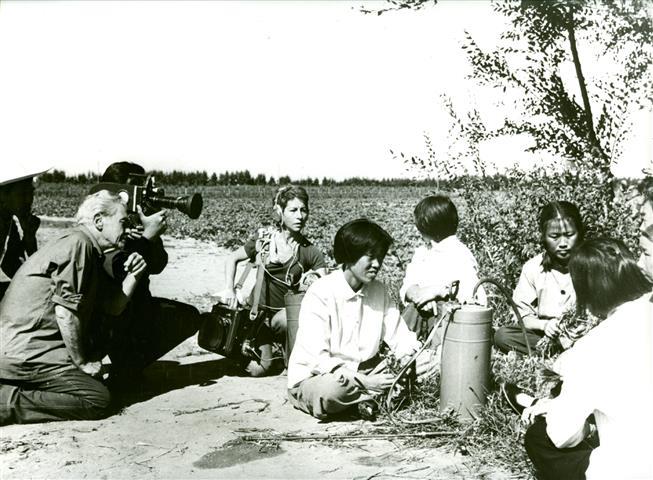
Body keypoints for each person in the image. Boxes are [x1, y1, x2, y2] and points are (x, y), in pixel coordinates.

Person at [0, 191, 147, 425]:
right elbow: (66, 313)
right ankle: (6, 402)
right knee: (96, 399)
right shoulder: (79, 245)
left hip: (25, 347)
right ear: (99, 221)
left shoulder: (85, 246)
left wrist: (135, 274)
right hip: (27, 351)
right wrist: (82, 363)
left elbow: (113, 307)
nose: (127, 228)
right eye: (122, 221)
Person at [522, 238, 653, 480]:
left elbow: (562, 435)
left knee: (539, 437)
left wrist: (578, 422)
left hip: (632, 470)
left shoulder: (592, 346)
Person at [287, 219, 438, 420]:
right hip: (319, 377)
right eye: (371, 257)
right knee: (332, 391)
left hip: (368, 371)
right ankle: (376, 397)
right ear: (349, 255)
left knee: (430, 361)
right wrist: (365, 382)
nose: (377, 264)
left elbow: (400, 336)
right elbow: (318, 359)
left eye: (380, 258)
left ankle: (368, 401)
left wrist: (410, 358)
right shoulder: (320, 292)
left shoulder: (379, 291)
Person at [94, 162, 203, 381]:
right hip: (106, 315)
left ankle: (130, 362)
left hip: (135, 309)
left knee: (188, 317)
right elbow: (119, 271)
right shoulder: (101, 224)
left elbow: (158, 265)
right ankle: (124, 368)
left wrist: (150, 237)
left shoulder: (133, 225)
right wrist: (145, 239)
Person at [219, 185, 327, 376]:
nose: (300, 216)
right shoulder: (264, 240)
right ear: (280, 212)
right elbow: (232, 259)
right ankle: (264, 350)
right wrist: (229, 289)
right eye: (293, 210)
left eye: (303, 210)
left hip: (283, 319)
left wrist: (312, 281)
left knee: (290, 317)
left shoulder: (309, 251)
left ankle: (287, 356)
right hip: (255, 317)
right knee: (259, 370)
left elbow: (326, 287)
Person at [494, 201, 585, 355]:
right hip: (547, 336)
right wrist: (545, 325)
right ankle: (556, 350)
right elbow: (522, 316)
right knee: (503, 336)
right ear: (543, 236)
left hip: (583, 334)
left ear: (579, 233)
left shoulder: (593, 264)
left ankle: (566, 351)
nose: (563, 243)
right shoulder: (533, 268)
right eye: (554, 237)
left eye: (569, 235)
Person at [400, 195, 486, 340]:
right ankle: (399, 346)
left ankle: (428, 349)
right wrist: (420, 296)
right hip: (420, 311)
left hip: (447, 319)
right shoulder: (422, 253)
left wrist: (438, 292)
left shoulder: (460, 254)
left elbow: (473, 295)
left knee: (441, 313)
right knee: (412, 311)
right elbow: (408, 286)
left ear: (427, 226)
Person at [0, 166, 49, 298]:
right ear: (3, 195)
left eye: (31, 193)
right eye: (21, 195)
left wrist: (29, 237)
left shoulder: (9, 223)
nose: (29, 200)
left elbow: (14, 268)